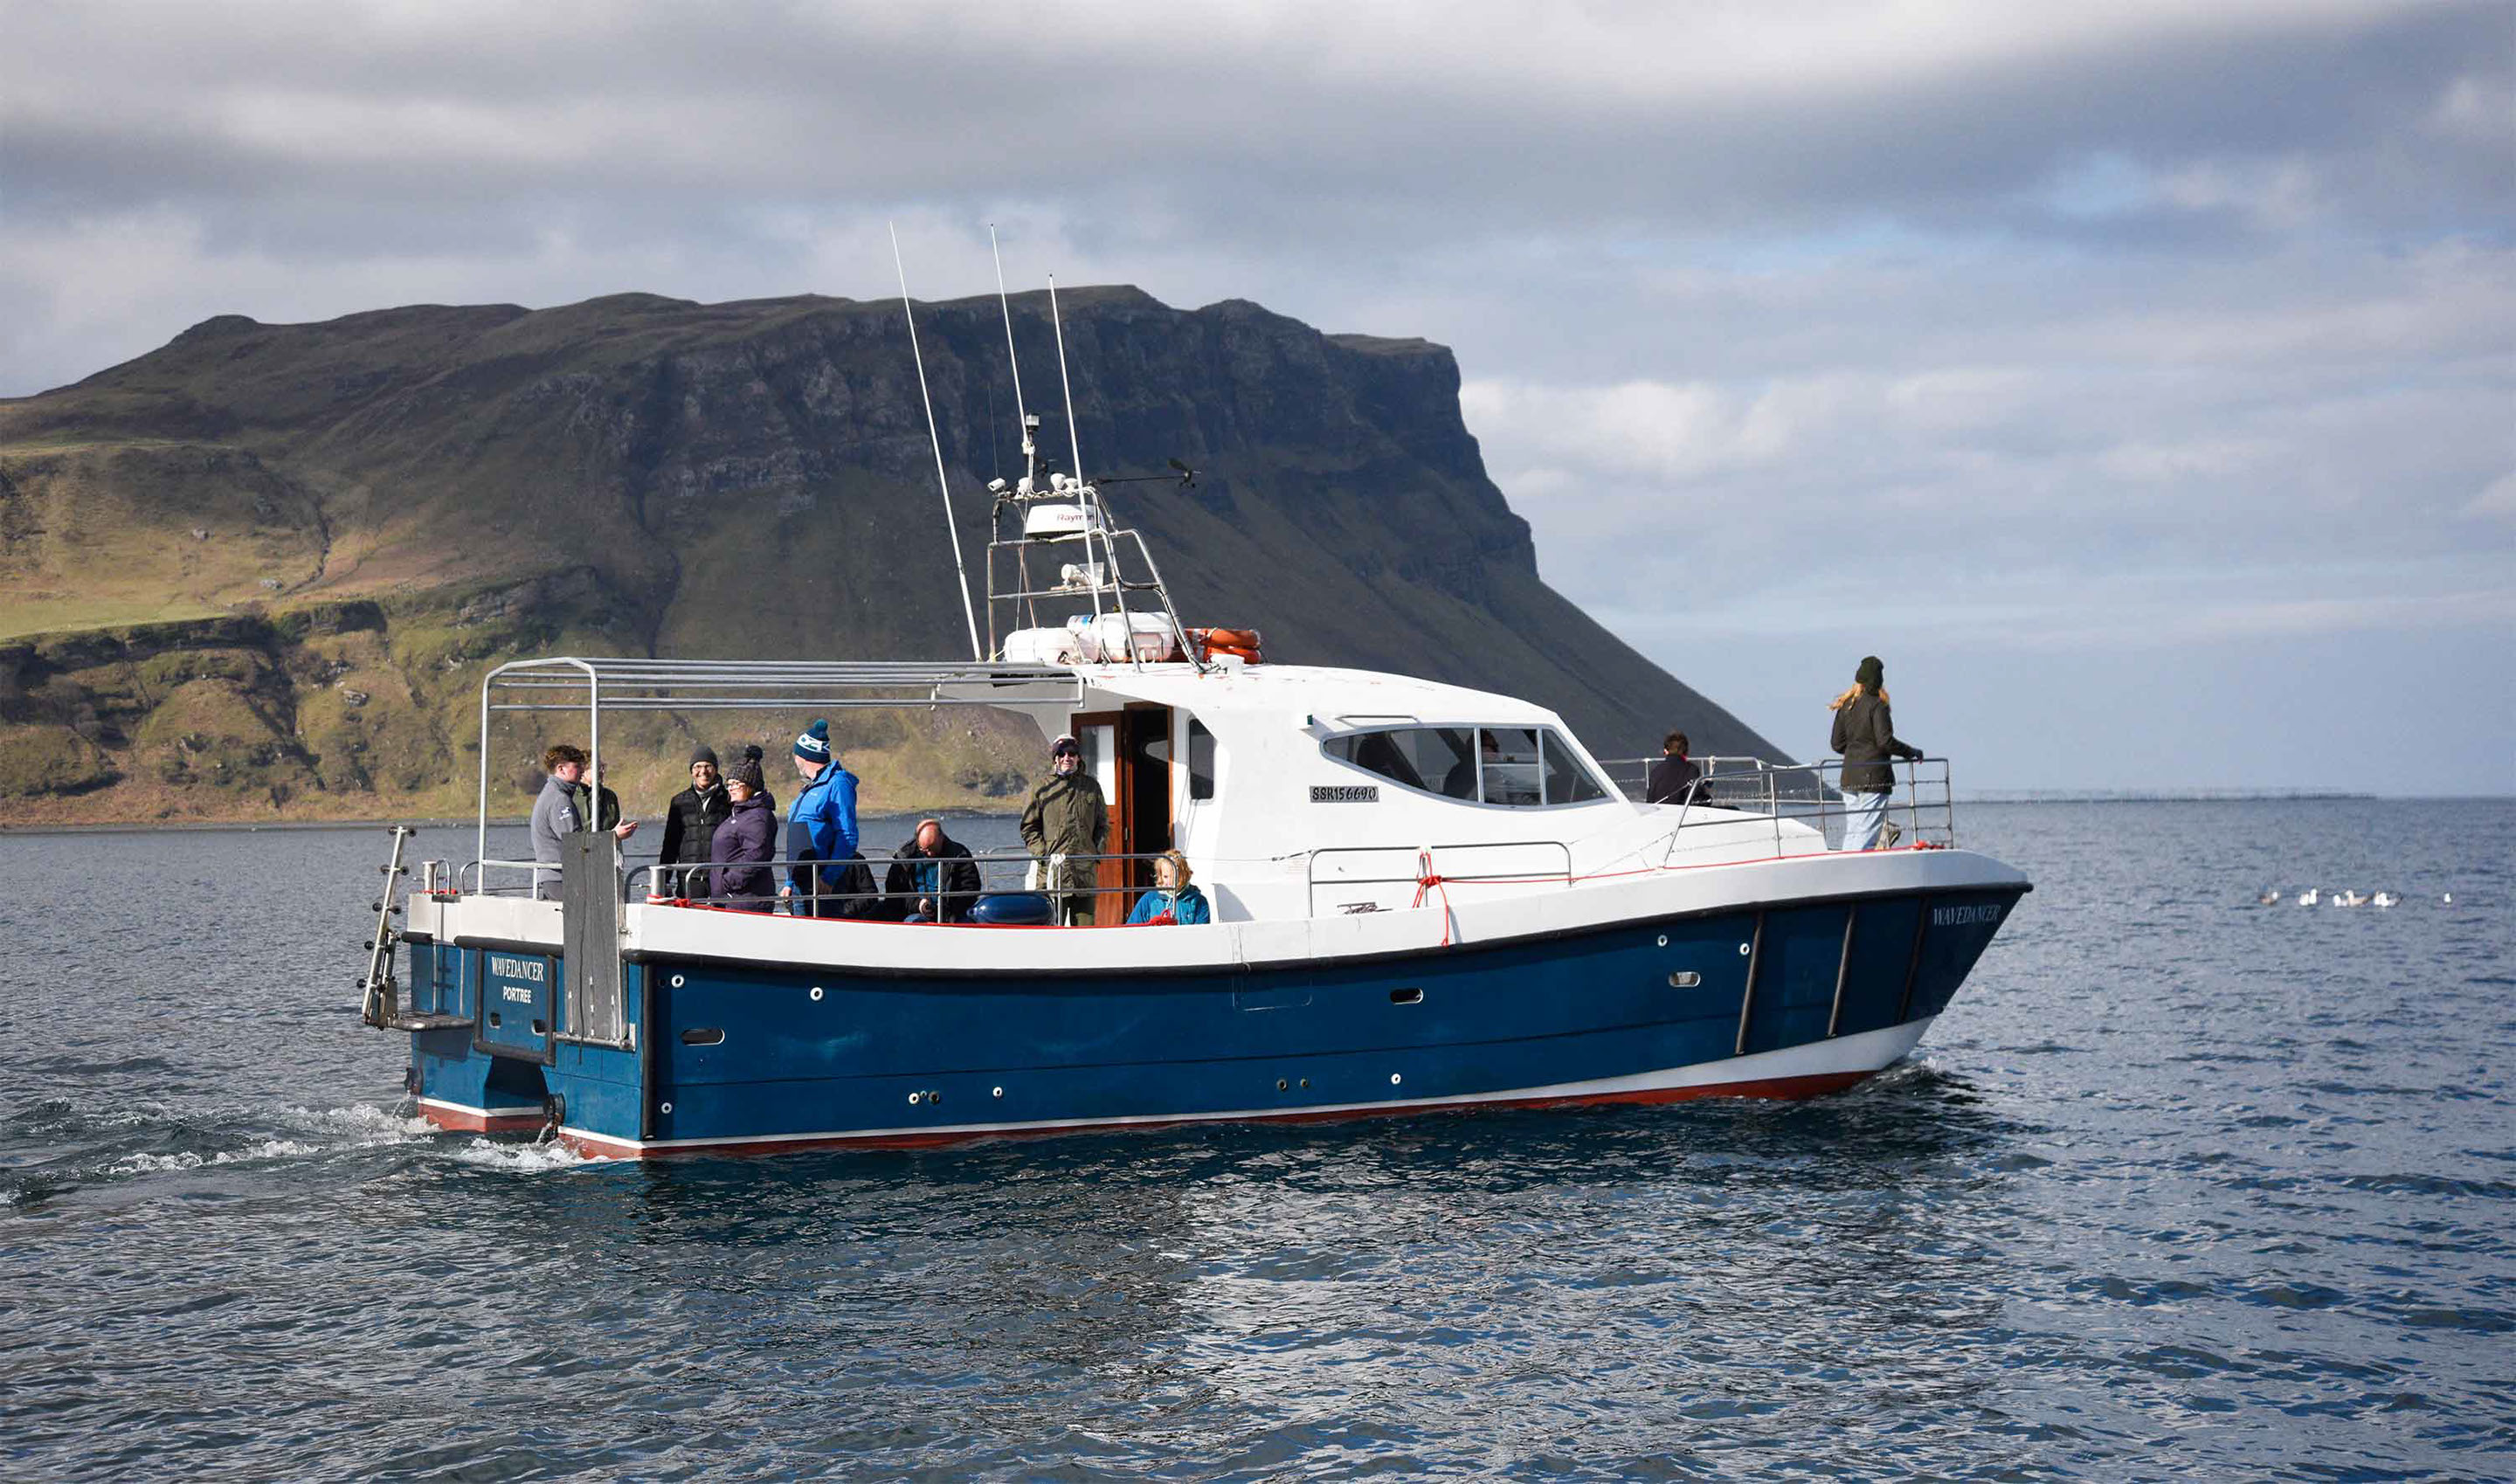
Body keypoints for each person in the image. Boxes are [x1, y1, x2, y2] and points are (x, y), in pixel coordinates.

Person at [1828, 655, 1923, 852]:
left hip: (1850, 776)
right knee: (1867, 834)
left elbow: (1837, 745)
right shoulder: (1878, 706)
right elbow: (1885, 741)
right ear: (1878, 680)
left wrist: (1858, 751)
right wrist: (1911, 752)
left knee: (1854, 830)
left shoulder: (1846, 706)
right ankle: (1859, 872)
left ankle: (1845, 867)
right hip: (1875, 778)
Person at [1020, 734, 1108, 926]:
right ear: (1055, 758)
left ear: (1078, 757)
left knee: (1086, 930)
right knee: (1051, 928)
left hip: (1084, 874)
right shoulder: (1041, 788)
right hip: (1052, 873)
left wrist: (1096, 853)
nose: (1067, 757)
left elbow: (1102, 825)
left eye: (1072, 753)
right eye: (1061, 754)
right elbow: (1028, 827)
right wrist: (1043, 854)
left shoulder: (1091, 787)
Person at [529, 743, 636, 899]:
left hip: (558, 876)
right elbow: (576, 842)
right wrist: (614, 836)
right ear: (561, 769)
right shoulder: (560, 799)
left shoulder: (552, 793)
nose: (581, 770)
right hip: (561, 877)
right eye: (577, 766)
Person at [782, 719, 862, 918]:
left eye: (796, 753)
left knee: (822, 938)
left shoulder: (837, 784)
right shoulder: (810, 788)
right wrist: (789, 882)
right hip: (800, 882)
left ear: (804, 755)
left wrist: (829, 877)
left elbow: (847, 835)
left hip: (821, 883)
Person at [656, 745, 731, 897]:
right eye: (697, 766)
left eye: (708, 766)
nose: (703, 772)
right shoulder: (679, 802)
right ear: (691, 771)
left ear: (716, 769)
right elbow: (671, 843)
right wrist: (663, 880)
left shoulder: (729, 799)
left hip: (721, 877)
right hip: (689, 879)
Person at [708, 754, 778, 911]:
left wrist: (726, 882)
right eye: (729, 784)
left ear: (751, 785)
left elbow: (756, 855)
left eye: (736, 784)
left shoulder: (758, 817)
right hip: (731, 899)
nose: (731, 788)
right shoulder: (740, 813)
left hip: (746, 900)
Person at [885, 818, 982, 923]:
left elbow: (971, 887)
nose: (930, 854)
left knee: (967, 923)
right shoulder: (904, 857)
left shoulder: (959, 855)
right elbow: (894, 893)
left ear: (942, 838)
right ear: (917, 841)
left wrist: (950, 908)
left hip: (953, 912)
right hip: (915, 913)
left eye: (933, 848)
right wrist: (918, 905)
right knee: (913, 923)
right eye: (925, 850)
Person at [1127, 850, 1212, 925]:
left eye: (1174, 876)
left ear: (1184, 875)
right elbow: (1132, 929)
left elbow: (1201, 935)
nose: (1170, 882)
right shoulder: (1149, 899)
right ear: (1160, 876)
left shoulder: (1198, 901)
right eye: (1166, 876)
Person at [1646, 731, 1701, 805]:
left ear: (1666, 751)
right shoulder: (1692, 770)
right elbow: (1694, 799)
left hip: (1657, 814)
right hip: (1681, 814)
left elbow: (1650, 800)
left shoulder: (1655, 771)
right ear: (1686, 750)